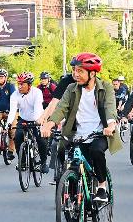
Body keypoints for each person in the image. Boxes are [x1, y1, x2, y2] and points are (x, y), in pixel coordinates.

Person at [41, 52, 122, 202]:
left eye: (80, 71)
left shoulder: (106, 87)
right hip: (76, 133)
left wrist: (111, 125)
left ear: (92, 73)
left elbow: (110, 108)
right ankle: (71, 194)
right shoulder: (72, 88)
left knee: (96, 151)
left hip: (99, 133)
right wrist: (49, 123)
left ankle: (102, 187)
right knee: (66, 156)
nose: (75, 74)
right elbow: (61, 108)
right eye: (74, 70)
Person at [7, 72, 48, 173]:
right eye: (18, 84)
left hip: (37, 119)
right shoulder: (15, 95)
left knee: (41, 140)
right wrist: (8, 123)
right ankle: (23, 161)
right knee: (18, 136)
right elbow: (12, 111)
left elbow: (38, 108)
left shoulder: (37, 92)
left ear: (29, 85)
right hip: (23, 119)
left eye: (22, 84)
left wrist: (37, 121)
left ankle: (43, 162)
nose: (19, 86)